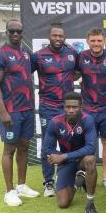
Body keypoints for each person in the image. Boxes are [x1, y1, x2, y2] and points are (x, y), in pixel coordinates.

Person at [0, 19, 40, 206]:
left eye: (19, 31)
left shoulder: (26, 53)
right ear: (6, 32)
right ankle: (9, 191)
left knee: (24, 146)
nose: (16, 34)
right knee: (9, 149)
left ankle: (21, 185)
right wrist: (3, 111)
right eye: (12, 31)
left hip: (27, 110)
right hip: (10, 111)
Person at [33, 23, 78, 197]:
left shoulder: (72, 54)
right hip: (48, 107)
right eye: (54, 35)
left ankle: (68, 178)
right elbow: (22, 72)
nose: (58, 38)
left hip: (68, 107)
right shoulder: (38, 56)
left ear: (64, 37)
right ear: (49, 37)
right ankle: (48, 182)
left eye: (60, 35)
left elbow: (80, 72)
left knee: (71, 141)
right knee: (48, 143)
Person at [42, 92, 100, 213]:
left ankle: (90, 204)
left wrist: (64, 156)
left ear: (81, 107)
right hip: (67, 162)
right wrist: (55, 156)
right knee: (63, 203)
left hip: (82, 160)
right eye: (68, 107)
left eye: (75, 107)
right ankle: (79, 180)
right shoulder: (55, 122)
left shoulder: (87, 120)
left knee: (90, 160)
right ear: (64, 107)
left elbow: (91, 148)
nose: (71, 110)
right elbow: (47, 148)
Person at [76, 27, 106, 189]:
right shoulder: (80, 57)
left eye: (99, 40)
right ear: (87, 41)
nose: (96, 44)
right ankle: (87, 174)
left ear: (104, 41)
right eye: (93, 40)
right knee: (88, 144)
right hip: (87, 109)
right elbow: (73, 74)